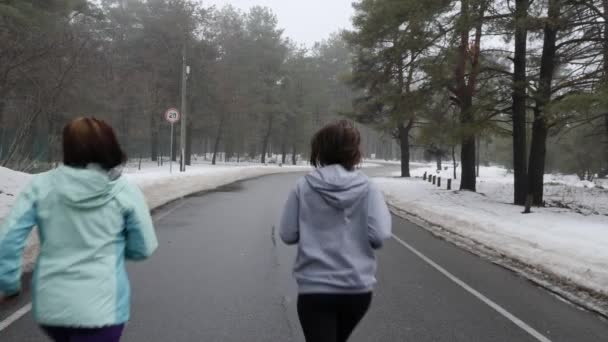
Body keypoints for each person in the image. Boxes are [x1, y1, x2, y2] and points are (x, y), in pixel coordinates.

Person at [0, 117, 158, 342]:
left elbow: (8, 237)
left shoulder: (40, 186)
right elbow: (143, 247)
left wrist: (9, 283)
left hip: (52, 310)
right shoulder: (124, 191)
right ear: (110, 145)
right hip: (103, 311)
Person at [280, 120, 392, 342]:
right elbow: (379, 234)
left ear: (320, 150)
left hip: (315, 289)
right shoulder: (368, 188)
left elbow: (287, 234)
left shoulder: (304, 187)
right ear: (354, 152)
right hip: (357, 290)